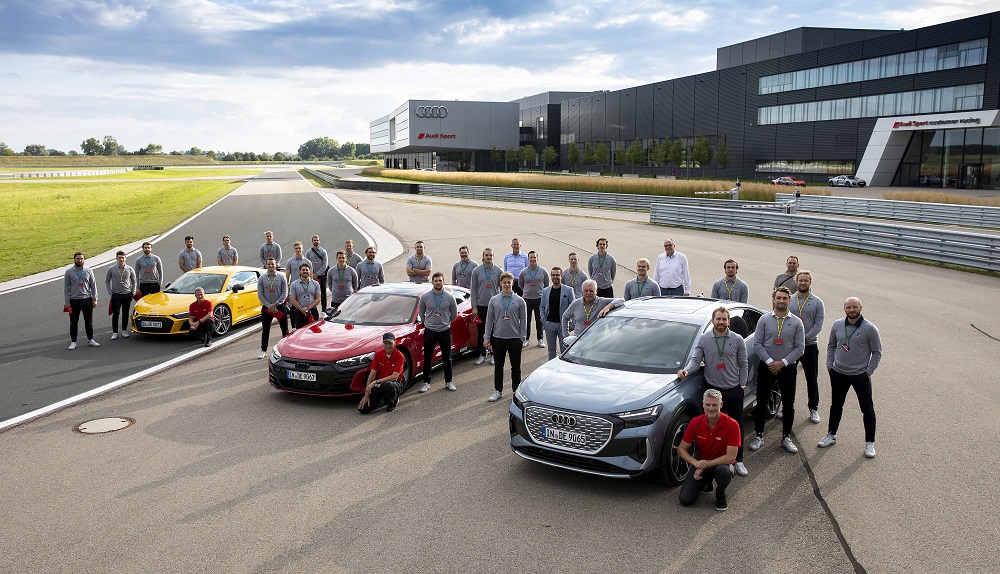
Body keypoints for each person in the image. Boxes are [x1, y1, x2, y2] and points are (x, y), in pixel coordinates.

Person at [678, 307, 750, 476]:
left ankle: (738, 460)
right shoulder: (704, 339)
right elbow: (696, 360)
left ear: (729, 321)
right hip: (713, 390)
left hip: (733, 389)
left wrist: (743, 385)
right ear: (713, 321)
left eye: (724, 319)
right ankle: (719, 460)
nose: (721, 322)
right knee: (716, 427)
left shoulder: (737, 339)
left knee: (736, 425)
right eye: (718, 319)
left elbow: (743, 363)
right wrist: (686, 371)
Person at [819, 297, 882, 458]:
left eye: (855, 307)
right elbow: (831, 346)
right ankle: (831, 434)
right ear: (844, 308)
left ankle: (870, 443)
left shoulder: (869, 329)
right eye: (848, 307)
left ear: (860, 307)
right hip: (839, 373)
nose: (852, 310)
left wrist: (868, 371)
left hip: (860, 375)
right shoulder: (837, 325)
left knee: (867, 409)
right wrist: (829, 366)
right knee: (836, 405)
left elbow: (877, 353)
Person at [750, 287, 806, 454]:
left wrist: (782, 363)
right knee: (761, 402)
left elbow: (800, 348)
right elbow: (757, 344)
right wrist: (770, 362)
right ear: (773, 300)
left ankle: (786, 436)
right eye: (778, 298)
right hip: (766, 366)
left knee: (788, 403)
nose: (781, 301)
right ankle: (759, 435)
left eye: (784, 298)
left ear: (790, 301)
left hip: (787, 368)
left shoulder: (796, 322)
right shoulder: (764, 320)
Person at [677, 389, 740, 511]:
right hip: (701, 463)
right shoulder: (695, 422)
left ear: (721, 405)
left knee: (723, 472)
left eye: (715, 405)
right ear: (703, 404)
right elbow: (681, 449)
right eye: (708, 404)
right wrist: (695, 463)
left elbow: (730, 457)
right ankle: (707, 482)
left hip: (722, 464)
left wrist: (703, 466)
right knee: (685, 500)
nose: (711, 408)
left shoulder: (732, 425)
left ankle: (720, 494)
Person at [483, 272, 527, 402]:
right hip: (498, 338)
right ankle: (498, 391)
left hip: (514, 339)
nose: (507, 285)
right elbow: (489, 320)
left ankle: (515, 391)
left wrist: (522, 338)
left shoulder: (520, 301)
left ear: (512, 283)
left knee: (516, 367)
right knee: (498, 367)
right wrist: (487, 337)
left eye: (509, 282)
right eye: (504, 282)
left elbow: (524, 321)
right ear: (501, 283)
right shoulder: (494, 300)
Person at [791, 270, 825, 424]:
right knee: (789, 379)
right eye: (800, 280)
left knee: (812, 379)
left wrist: (805, 339)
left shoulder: (818, 302)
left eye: (806, 280)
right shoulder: (790, 300)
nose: (803, 283)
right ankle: (787, 406)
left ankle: (813, 408)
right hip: (791, 347)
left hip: (810, 346)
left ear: (810, 282)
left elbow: (818, 324)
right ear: (796, 282)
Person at [417, 272, 459, 393]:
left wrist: (446, 322)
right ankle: (426, 382)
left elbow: (454, 314)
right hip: (430, 331)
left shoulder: (449, 297)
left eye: (440, 280)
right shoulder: (425, 297)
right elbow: (421, 313)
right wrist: (428, 323)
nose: (438, 283)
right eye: (436, 281)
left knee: (447, 358)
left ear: (443, 282)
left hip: (445, 331)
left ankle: (449, 381)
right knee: (427, 358)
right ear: (432, 282)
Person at [358, 332, 406, 414]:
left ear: (395, 342)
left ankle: (393, 401)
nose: (388, 346)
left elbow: (394, 377)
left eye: (390, 343)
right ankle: (382, 399)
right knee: (363, 410)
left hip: (394, 383)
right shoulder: (378, 354)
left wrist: (376, 382)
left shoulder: (399, 356)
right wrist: (367, 393)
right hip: (380, 383)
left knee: (388, 385)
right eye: (385, 343)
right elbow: (372, 374)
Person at [470, 247, 503, 366]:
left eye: (490, 255)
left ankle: (494, 355)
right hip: (481, 305)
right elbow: (473, 290)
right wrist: (474, 306)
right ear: (483, 256)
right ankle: (482, 354)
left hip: (495, 306)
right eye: (486, 255)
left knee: (495, 331)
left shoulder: (499, 271)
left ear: (493, 256)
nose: (488, 257)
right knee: (482, 331)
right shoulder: (476, 271)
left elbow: (503, 288)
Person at [64, 251, 100, 349]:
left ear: (84, 259)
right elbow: (66, 288)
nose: (79, 260)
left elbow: (93, 286)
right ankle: (73, 342)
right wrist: (67, 302)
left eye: (81, 259)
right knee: (74, 322)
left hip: (87, 299)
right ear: (74, 259)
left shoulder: (89, 271)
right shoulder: (69, 272)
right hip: (74, 300)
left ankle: (91, 339)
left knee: (89, 321)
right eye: (78, 259)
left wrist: (95, 298)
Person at [257, 256, 289, 359]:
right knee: (265, 330)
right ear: (266, 265)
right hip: (267, 308)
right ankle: (263, 350)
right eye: (269, 264)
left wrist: (275, 304)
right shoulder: (262, 278)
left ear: (276, 265)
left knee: (284, 330)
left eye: (272, 264)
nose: (271, 266)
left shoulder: (281, 276)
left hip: (279, 306)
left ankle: (285, 350)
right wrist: (269, 306)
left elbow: (285, 293)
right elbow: (260, 295)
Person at [539, 267, 575, 360]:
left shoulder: (568, 290)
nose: (555, 277)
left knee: (565, 350)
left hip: (563, 325)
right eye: (553, 275)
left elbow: (574, 307)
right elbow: (542, 307)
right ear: (551, 276)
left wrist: (572, 323)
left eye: (557, 275)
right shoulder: (546, 291)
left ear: (561, 276)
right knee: (551, 351)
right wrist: (544, 321)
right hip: (549, 324)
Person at [518, 250, 550, 348]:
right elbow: (520, 284)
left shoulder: (543, 271)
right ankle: (526, 339)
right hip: (527, 299)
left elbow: (547, 284)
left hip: (539, 299)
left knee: (539, 319)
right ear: (528, 259)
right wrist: (527, 291)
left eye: (534, 257)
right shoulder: (523, 272)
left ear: (537, 258)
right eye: (531, 258)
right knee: (526, 320)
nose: (532, 259)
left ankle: (540, 339)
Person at [104, 250, 137, 340]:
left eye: (122, 258)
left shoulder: (130, 269)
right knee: (116, 313)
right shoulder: (111, 269)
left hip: (127, 294)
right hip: (116, 295)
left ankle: (124, 330)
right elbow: (107, 281)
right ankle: (115, 332)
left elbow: (134, 281)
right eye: (119, 258)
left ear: (125, 259)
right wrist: (110, 293)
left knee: (125, 313)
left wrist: (133, 292)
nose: (121, 259)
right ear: (116, 258)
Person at [289, 263, 321, 328]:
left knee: (314, 332)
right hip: (300, 312)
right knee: (300, 334)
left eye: (307, 270)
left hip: (312, 311)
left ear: (310, 271)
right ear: (300, 272)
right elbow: (292, 299)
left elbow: (318, 299)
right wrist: (302, 309)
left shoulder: (315, 283)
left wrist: (308, 308)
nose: (305, 271)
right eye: (303, 270)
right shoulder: (294, 284)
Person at [306, 235, 330, 311]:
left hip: (321, 276)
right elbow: (307, 264)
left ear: (319, 241)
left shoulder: (323, 251)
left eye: (317, 240)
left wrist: (317, 274)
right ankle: (312, 309)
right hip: (311, 276)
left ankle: (323, 310)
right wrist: (312, 274)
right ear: (312, 241)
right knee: (311, 293)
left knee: (323, 293)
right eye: (314, 240)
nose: (316, 242)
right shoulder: (308, 252)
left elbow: (325, 264)